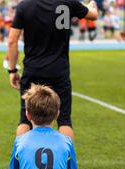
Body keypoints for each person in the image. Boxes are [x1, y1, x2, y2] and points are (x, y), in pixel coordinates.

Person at [7, 0, 98, 142]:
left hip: (33, 70)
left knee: (25, 119)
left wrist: (12, 70)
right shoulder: (68, 2)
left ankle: (20, 160)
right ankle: (67, 163)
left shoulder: (24, 6)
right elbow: (93, 16)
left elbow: (12, 40)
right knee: (64, 120)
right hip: (59, 71)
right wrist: (92, 5)